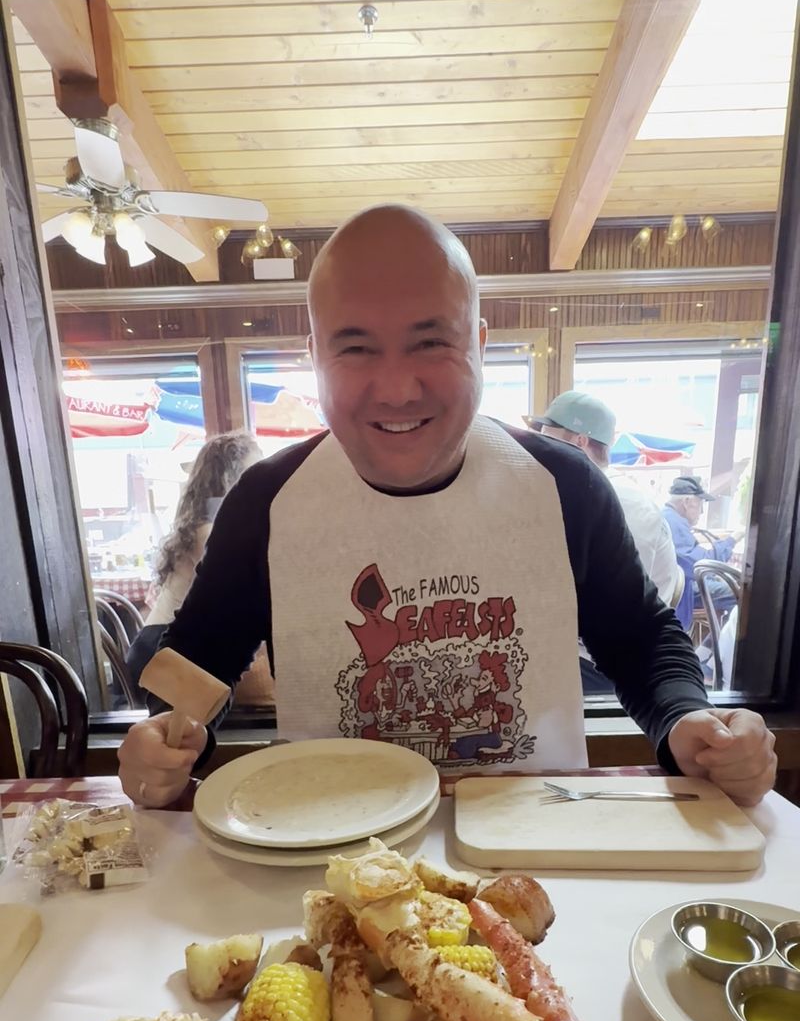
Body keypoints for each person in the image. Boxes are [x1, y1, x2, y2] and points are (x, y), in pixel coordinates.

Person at [118, 205, 776, 809]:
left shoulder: (565, 484)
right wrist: (166, 741)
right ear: (315, 357)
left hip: (534, 839)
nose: (397, 388)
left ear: (480, 344)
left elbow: (639, 638)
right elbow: (196, 662)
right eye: (355, 348)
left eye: (431, 343)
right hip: (325, 850)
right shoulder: (265, 500)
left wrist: (687, 718)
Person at [537, 390, 684, 695]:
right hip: (582, 649)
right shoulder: (578, 491)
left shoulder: (622, 501)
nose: (539, 444)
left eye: (547, 435)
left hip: (608, 661)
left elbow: (616, 611)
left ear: (579, 442)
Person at [126, 431, 271, 699]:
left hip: (165, 643)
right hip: (165, 652)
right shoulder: (210, 532)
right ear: (232, 479)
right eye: (254, 472)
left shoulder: (199, 526)